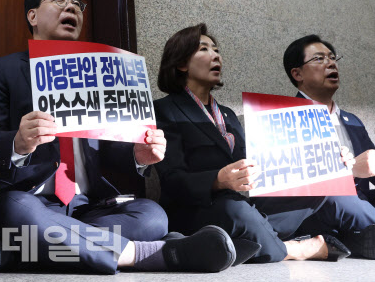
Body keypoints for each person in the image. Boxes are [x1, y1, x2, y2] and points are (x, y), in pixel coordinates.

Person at [0, 0, 236, 275]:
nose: (71, 7)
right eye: (59, 0)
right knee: (16, 210)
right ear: (32, 16)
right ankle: (150, 254)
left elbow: (108, 151)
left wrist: (138, 156)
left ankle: (20, 250)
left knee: (152, 217)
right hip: (30, 199)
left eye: (76, 3)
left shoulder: (98, 74)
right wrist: (19, 143)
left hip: (88, 209)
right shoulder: (3, 69)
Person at [154, 23, 375, 263]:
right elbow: (172, 181)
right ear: (181, 63)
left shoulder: (228, 115)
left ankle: (267, 243)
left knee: (326, 189)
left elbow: (263, 169)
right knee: (237, 210)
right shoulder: (165, 110)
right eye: (204, 49)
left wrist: (330, 165)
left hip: (249, 206)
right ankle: (293, 249)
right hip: (200, 210)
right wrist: (218, 180)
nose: (216, 55)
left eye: (216, 50)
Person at [284, 35, 375, 206]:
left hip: (365, 207)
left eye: (333, 58)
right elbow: (289, 182)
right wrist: (348, 170)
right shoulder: (284, 120)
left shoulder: (353, 120)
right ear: (297, 73)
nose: (331, 63)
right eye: (319, 59)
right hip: (319, 211)